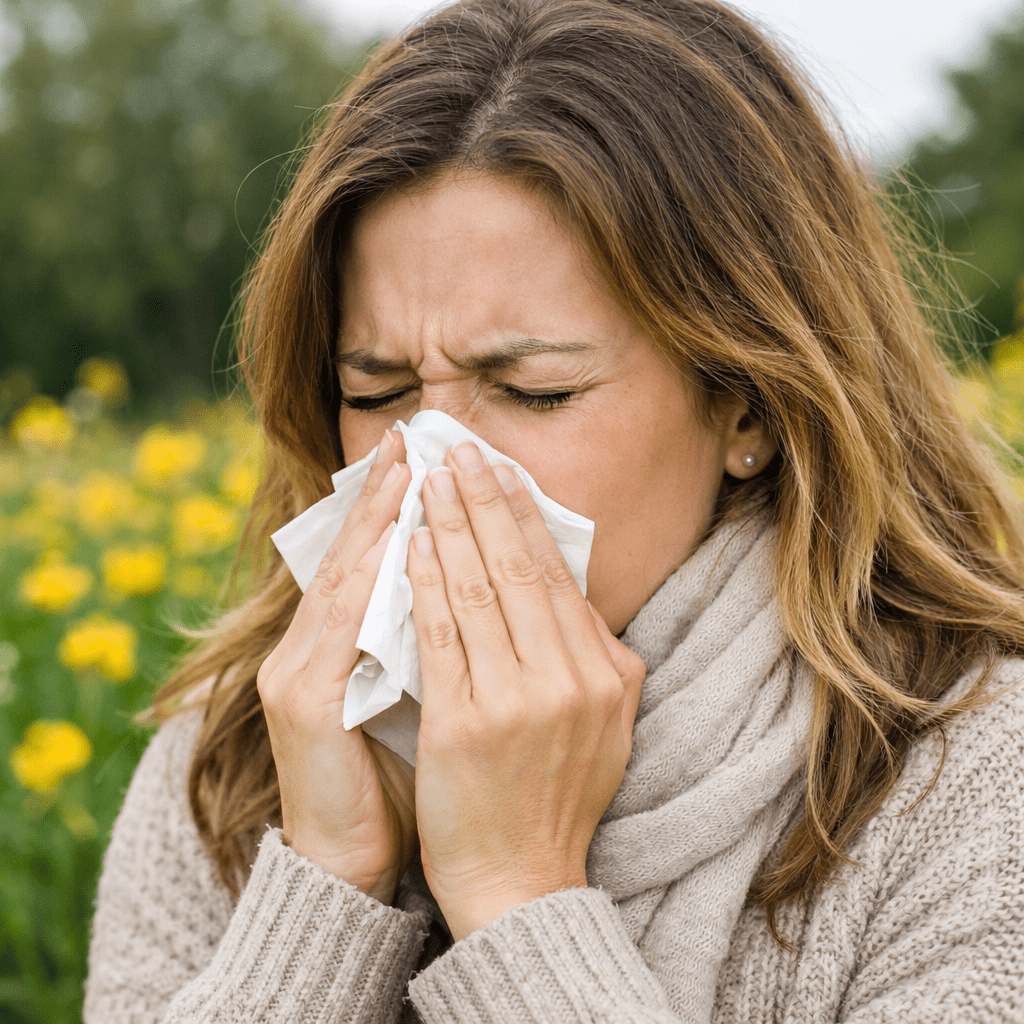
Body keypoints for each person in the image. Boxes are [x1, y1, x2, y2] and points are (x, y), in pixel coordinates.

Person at [83, 1, 1024, 1021]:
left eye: (533, 390)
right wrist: (324, 890)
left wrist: (514, 894)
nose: (436, 469)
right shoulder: (233, 753)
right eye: (376, 391)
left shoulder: (967, 784)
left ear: (747, 402)